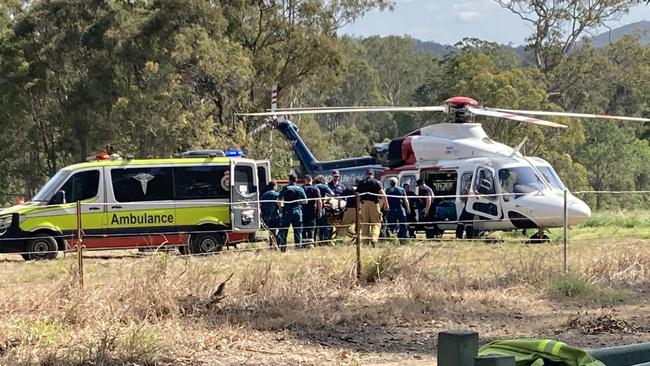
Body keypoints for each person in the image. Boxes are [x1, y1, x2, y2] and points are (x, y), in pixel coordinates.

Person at [356, 169, 387, 245]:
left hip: (364, 205)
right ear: (373, 174)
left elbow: (357, 195)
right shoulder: (376, 182)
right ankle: (374, 238)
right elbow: (383, 194)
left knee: (365, 224)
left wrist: (358, 206)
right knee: (376, 223)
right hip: (374, 204)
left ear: (366, 174)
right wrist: (386, 204)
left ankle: (365, 242)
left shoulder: (361, 183)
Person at [277, 173, 307, 252]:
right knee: (298, 230)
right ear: (296, 179)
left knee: (284, 230)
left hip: (287, 212)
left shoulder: (286, 188)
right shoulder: (300, 189)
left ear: (289, 180)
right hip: (297, 212)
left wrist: (280, 208)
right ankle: (298, 248)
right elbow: (305, 201)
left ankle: (283, 249)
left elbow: (279, 200)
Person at [301, 175, 322, 246]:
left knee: (303, 226)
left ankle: (303, 243)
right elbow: (319, 201)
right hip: (312, 210)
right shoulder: (315, 189)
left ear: (305, 180)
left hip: (303, 210)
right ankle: (310, 243)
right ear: (311, 180)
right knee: (311, 227)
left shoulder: (302, 188)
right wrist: (320, 211)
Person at [260, 180, 281, 248]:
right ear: (274, 186)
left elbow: (261, 205)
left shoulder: (264, 195)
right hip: (276, 215)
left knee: (271, 231)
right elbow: (280, 204)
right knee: (281, 228)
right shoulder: (277, 194)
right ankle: (277, 240)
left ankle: (271, 243)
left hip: (267, 216)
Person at [314, 175, 334, 243]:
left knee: (315, 225)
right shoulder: (324, 186)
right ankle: (322, 241)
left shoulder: (313, 186)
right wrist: (326, 199)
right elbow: (332, 194)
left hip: (313, 208)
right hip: (321, 207)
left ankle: (313, 240)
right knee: (323, 224)